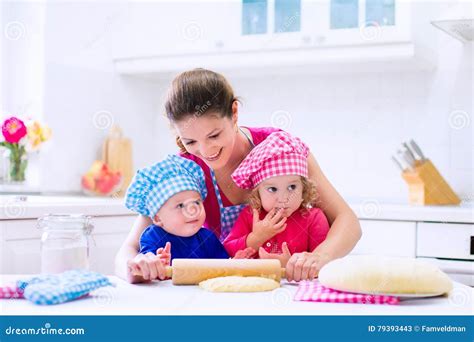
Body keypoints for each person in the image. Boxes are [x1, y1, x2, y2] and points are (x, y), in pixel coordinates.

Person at [115, 68, 362, 283]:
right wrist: (137, 265)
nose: (206, 151)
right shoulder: (184, 170)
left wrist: (319, 258)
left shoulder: (280, 148)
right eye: (190, 141)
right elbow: (128, 249)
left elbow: (348, 222)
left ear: (234, 113)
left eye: (214, 135)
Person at [124, 154, 253, 281]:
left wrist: (234, 263)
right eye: (180, 206)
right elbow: (146, 264)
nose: (192, 211)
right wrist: (157, 264)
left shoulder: (207, 238)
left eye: (196, 203)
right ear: (158, 219)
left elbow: (221, 268)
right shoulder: (153, 236)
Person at [223, 131, 330, 276]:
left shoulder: (314, 219)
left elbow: (324, 266)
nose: (283, 198)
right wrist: (256, 237)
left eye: (292, 187)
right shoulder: (250, 216)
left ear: (304, 188)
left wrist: (289, 266)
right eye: (272, 189)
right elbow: (226, 251)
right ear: (257, 192)